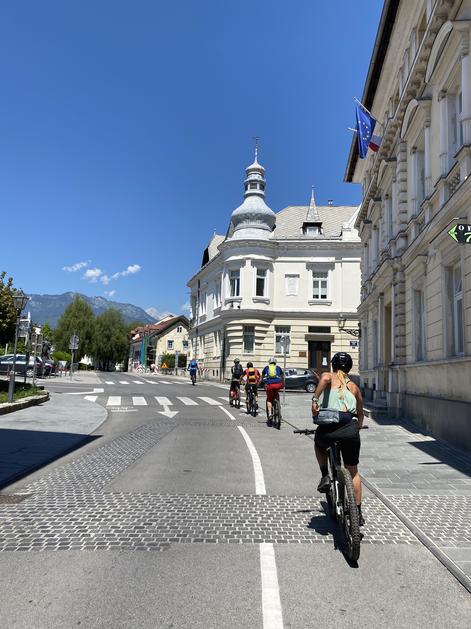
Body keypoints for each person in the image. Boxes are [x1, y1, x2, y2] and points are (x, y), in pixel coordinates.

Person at [311, 352, 365, 525]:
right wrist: (357, 428)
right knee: (353, 471)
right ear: (349, 368)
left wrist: (315, 399)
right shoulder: (354, 387)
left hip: (329, 427)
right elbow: (361, 415)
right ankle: (357, 512)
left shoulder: (329, 376)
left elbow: (325, 378)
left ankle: (325, 476)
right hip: (350, 428)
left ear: (333, 365)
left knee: (319, 444)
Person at [262, 357, 284, 425]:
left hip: (270, 385)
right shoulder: (278, 367)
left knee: (269, 399)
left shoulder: (266, 368)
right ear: (275, 362)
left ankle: (270, 414)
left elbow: (263, 376)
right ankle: (278, 409)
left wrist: (264, 382)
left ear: (269, 362)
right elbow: (282, 376)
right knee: (277, 395)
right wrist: (283, 383)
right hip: (278, 384)